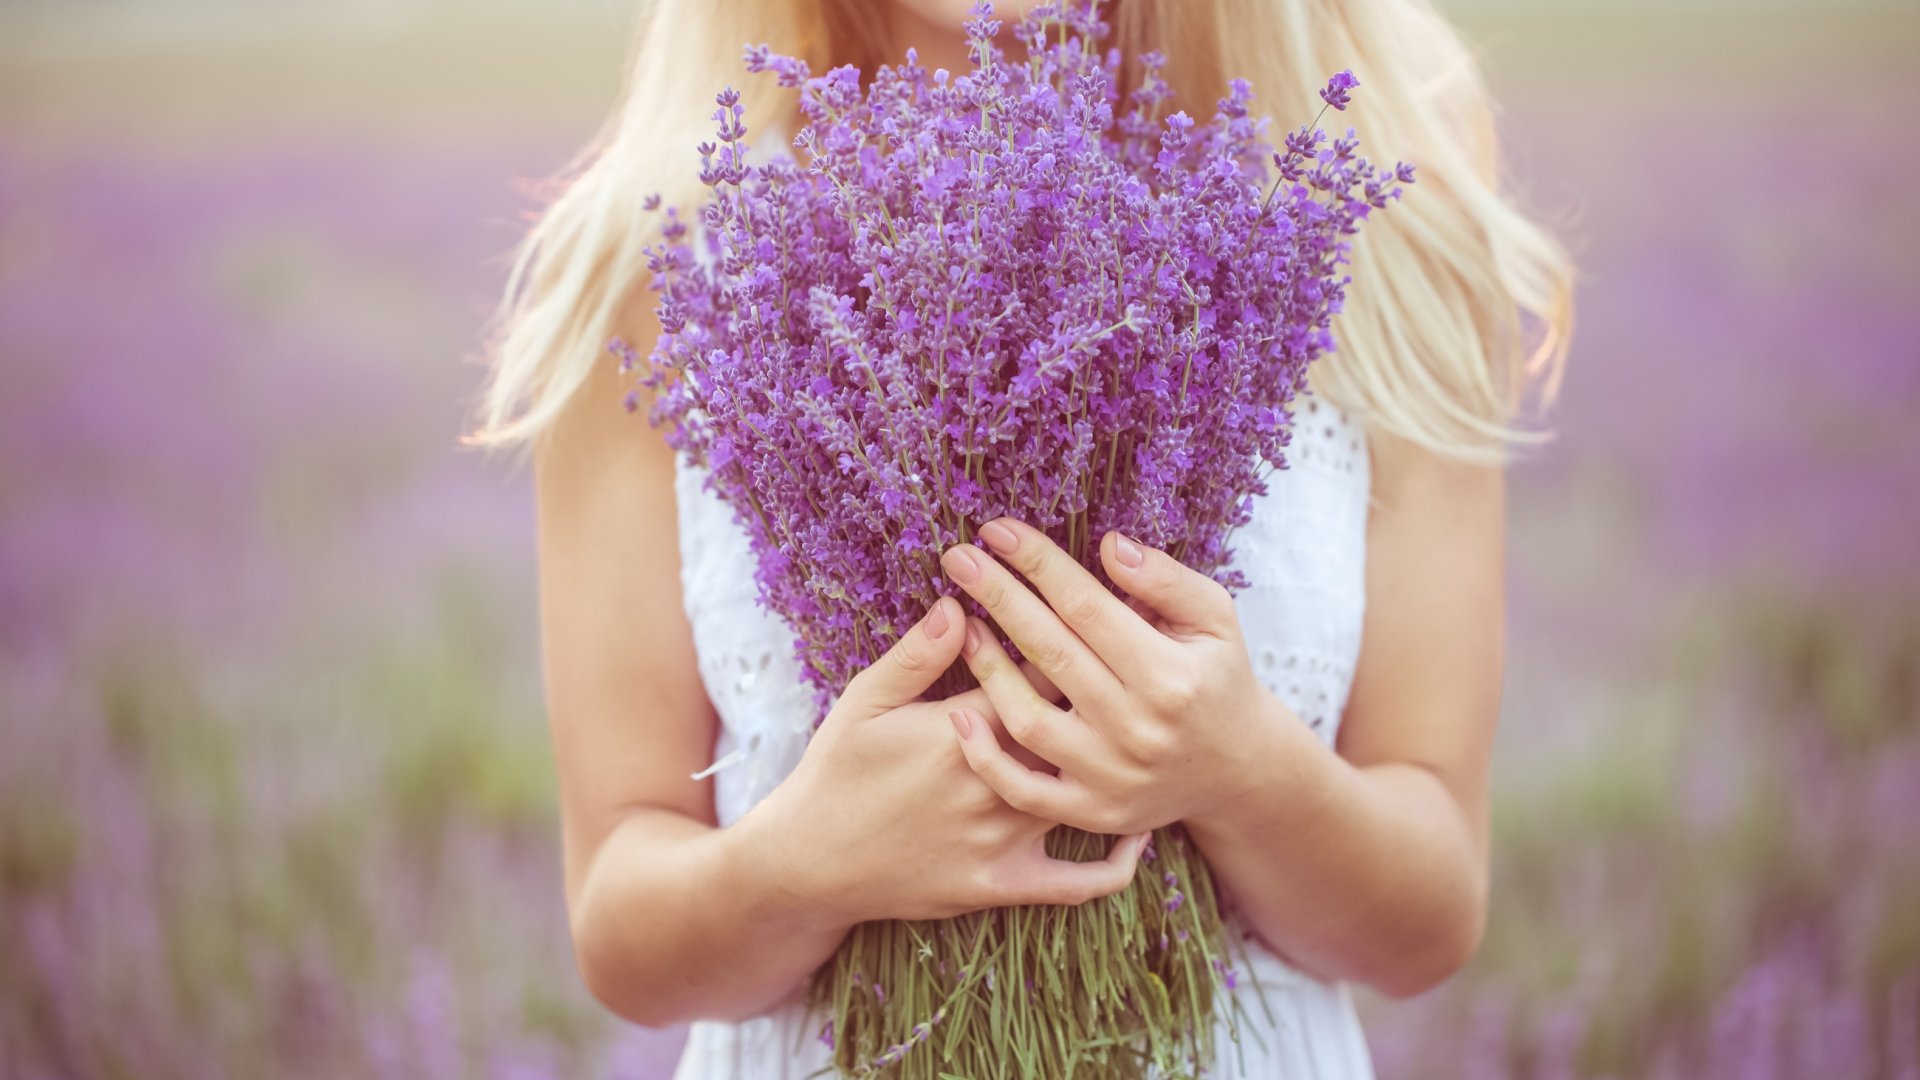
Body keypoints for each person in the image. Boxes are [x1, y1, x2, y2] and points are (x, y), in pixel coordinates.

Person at [470, 1, 1572, 1075]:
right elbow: (619, 920)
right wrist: (800, 867)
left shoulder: (1382, 240)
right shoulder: (665, 269)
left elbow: (1432, 916)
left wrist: (1240, 772)